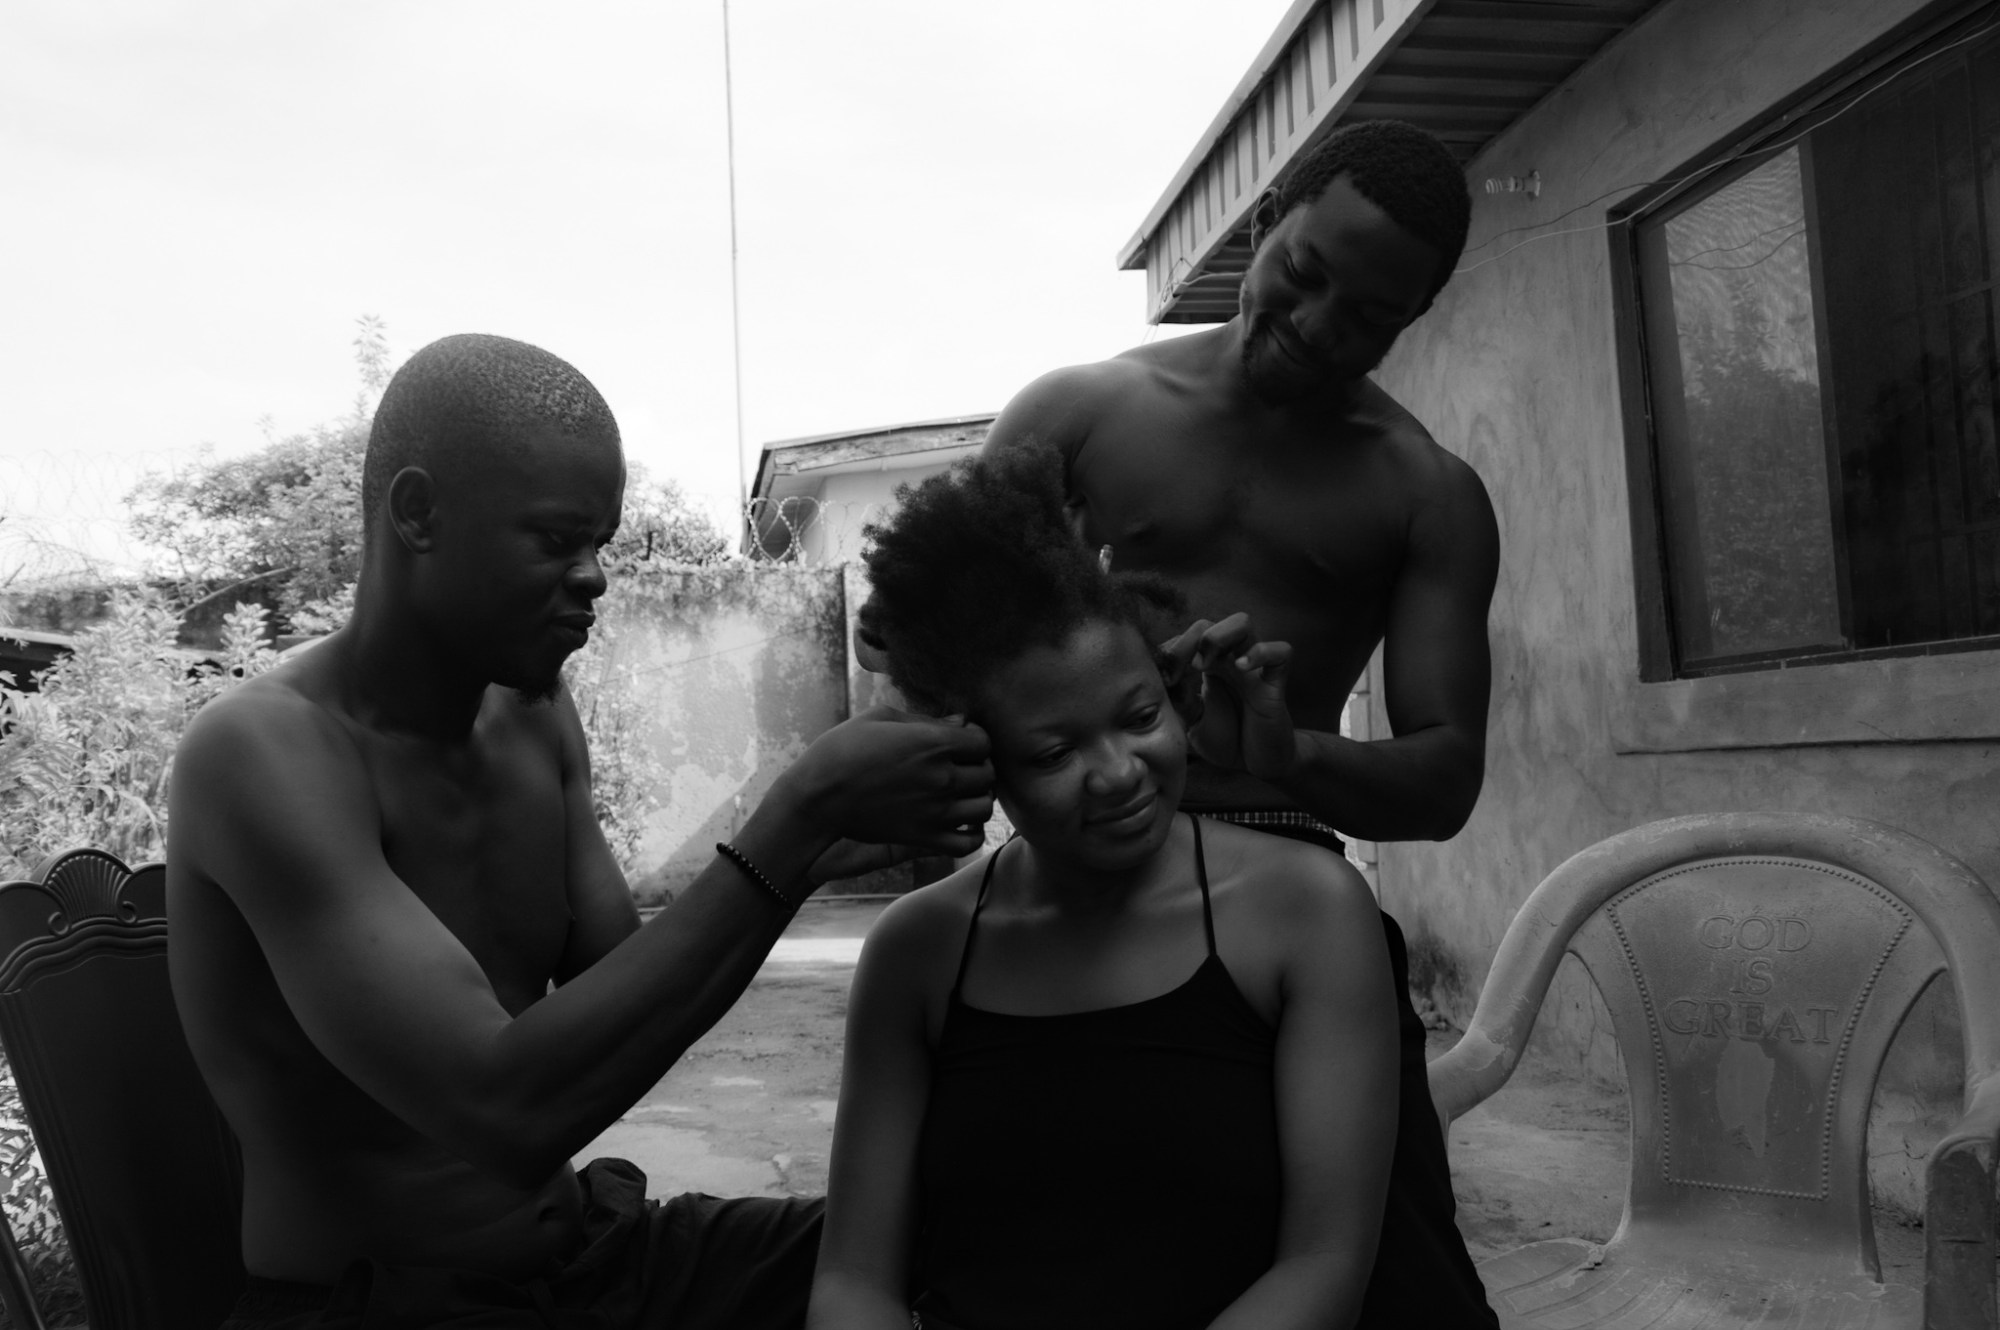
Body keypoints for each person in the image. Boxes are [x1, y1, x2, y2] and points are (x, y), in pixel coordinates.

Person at [167, 333, 994, 1328]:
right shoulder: (262, 754)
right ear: (418, 514)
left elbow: (625, 992)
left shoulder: (531, 715)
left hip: (589, 1260)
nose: (594, 576)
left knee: (978, 1233)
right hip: (385, 1302)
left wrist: (812, 854)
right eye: (556, 539)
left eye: (600, 540)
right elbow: (504, 1112)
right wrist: (789, 824)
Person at [969, 118, 1501, 1321]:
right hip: (1067, 883)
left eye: (1362, 317)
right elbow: (923, 645)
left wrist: (1290, 753)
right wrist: (1077, 658)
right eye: (1302, 275)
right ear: (1261, 226)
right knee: (1031, 1255)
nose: (1313, 328)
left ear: (1406, 325)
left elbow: (1444, 778)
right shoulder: (1078, 414)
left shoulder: (1422, 492)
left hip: (1285, 887)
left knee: (1392, 1283)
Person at [808, 443, 1400, 1330]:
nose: (1118, 773)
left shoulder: (1308, 911)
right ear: (976, 758)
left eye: (1139, 716)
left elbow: (1325, 1266)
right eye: (1053, 752)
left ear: (1177, 692)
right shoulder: (917, 953)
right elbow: (855, 1284)